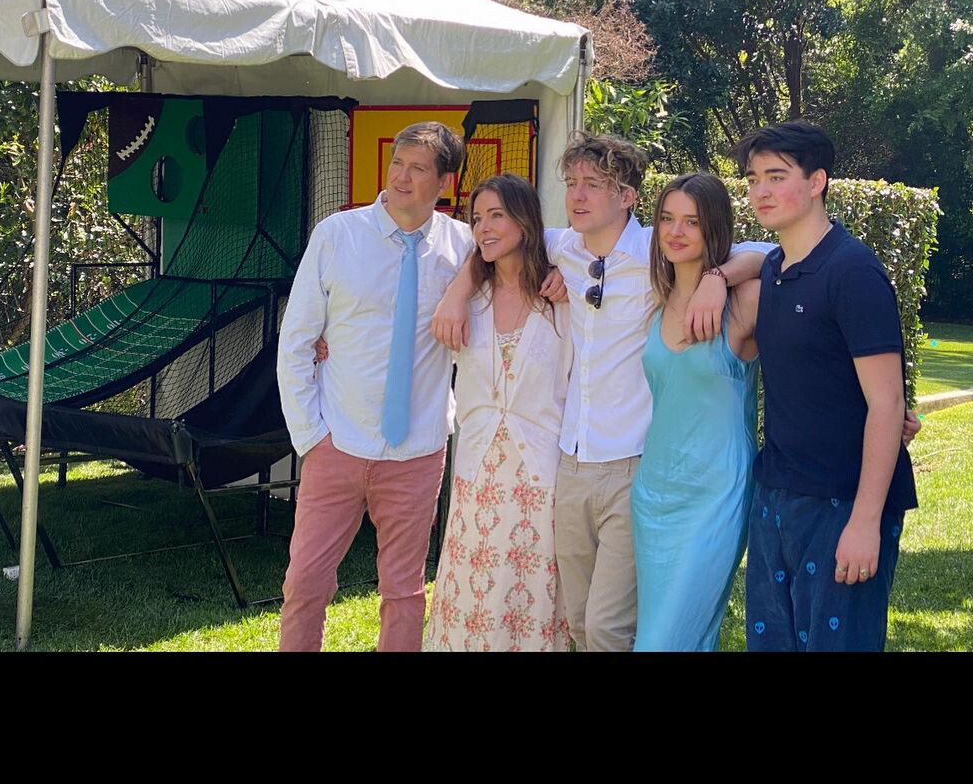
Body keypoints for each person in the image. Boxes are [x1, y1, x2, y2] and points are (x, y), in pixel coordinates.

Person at [433, 132, 772, 651]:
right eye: (571, 183)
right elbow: (493, 241)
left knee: (608, 625)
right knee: (578, 623)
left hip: (633, 464)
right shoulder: (562, 247)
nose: (577, 195)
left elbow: (769, 252)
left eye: (593, 184)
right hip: (570, 464)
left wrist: (717, 277)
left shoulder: (657, 252)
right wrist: (457, 294)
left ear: (628, 196)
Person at [275, 121, 469, 652]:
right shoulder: (337, 235)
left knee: (405, 591)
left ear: (445, 182)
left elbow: (533, 257)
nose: (401, 177)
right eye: (397, 163)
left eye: (418, 168)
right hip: (336, 443)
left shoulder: (466, 249)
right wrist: (311, 436)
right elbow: (296, 340)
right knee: (304, 584)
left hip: (418, 451)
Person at [735, 120, 917, 652]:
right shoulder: (773, 267)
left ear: (817, 182)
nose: (761, 191)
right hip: (776, 494)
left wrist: (864, 522)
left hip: (844, 503)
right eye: (753, 179)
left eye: (776, 177)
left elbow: (887, 403)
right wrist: (717, 278)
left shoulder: (852, 270)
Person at [424, 174, 572, 651]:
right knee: (472, 599)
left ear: (525, 220)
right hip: (477, 474)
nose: (483, 227)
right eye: (477, 218)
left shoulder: (563, 297)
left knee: (529, 601)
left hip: (540, 478)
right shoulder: (467, 299)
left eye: (496, 215)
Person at [632, 173, 760, 651]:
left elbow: (791, 259)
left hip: (715, 494)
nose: (675, 231)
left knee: (662, 642)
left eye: (692, 221)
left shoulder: (743, 303)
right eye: (667, 219)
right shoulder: (656, 301)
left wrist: (718, 278)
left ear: (715, 228)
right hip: (653, 495)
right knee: (675, 637)